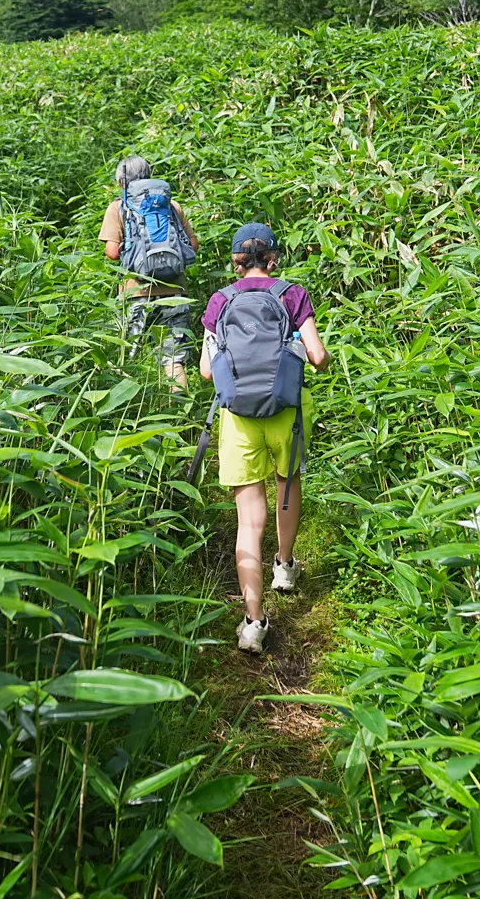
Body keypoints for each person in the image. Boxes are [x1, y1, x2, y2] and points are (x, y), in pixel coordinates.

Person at [199, 222, 328, 655]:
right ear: (273, 257)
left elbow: (204, 370)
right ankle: (285, 568)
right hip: (286, 410)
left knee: (247, 521)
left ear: (236, 260)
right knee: (287, 485)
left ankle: (253, 623)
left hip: (238, 418)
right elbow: (319, 357)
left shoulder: (221, 300)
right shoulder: (291, 293)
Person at [100, 156, 199, 387]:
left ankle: (135, 410)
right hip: (175, 292)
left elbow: (112, 252)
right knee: (173, 359)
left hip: (137, 293)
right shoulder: (171, 205)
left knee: (131, 357)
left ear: (121, 182)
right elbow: (192, 245)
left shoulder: (119, 207)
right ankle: (180, 413)